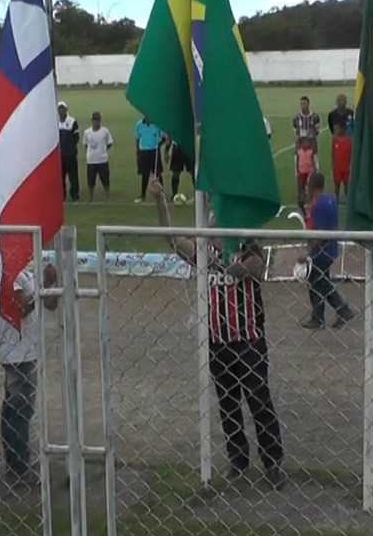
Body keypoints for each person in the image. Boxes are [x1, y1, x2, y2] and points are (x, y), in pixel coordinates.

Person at [152, 177, 286, 489]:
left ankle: (273, 462)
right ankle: (238, 461)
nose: (214, 221)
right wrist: (160, 201)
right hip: (217, 341)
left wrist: (237, 264)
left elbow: (256, 266)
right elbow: (171, 239)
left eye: (219, 217)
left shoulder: (246, 245)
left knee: (259, 401)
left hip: (249, 340)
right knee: (228, 405)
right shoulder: (203, 251)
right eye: (212, 218)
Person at [0, 248, 60, 485]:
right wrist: (44, 285)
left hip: (27, 349)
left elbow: (49, 304)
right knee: (19, 410)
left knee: (18, 409)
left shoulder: (24, 272)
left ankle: (17, 464)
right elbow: (20, 308)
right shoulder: (8, 272)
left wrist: (52, 285)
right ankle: (18, 468)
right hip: (16, 351)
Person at [301, 172, 355, 330]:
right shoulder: (330, 199)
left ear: (312, 186)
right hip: (330, 248)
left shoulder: (319, 205)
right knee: (320, 282)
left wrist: (308, 253)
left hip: (321, 251)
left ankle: (338, 311)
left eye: (307, 186)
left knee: (319, 283)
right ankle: (321, 316)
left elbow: (320, 234)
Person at [83, 111, 114, 202]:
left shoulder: (105, 131)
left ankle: (107, 195)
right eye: (95, 120)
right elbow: (85, 144)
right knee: (91, 180)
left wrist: (103, 150)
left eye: (98, 120)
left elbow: (110, 143)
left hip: (102, 160)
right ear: (92, 120)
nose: (96, 122)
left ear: (100, 120)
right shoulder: (87, 132)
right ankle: (91, 197)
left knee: (105, 179)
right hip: (91, 161)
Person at [134, 116, 164, 203]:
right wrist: (138, 151)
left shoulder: (157, 124)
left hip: (154, 151)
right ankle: (142, 195)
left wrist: (159, 145)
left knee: (158, 173)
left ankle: (162, 193)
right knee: (145, 174)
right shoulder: (139, 124)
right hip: (143, 152)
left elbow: (163, 137)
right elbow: (137, 139)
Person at [57, 101, 80, 202]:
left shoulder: (72, 121)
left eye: (63, 109)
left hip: (70, 154)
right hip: (60, 155)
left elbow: (76, 137)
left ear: (66, 109)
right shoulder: (55, 121)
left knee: (73, 176)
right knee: (61, 176)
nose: (61, 111)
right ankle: (62, 195)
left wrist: (70, 147)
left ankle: (75, 194)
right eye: (59, 109)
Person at [165, 138, 193, 204]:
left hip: (187, 147)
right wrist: (167, 150)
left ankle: (198, 195)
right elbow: (170, 136)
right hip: (177, 149)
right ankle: (174, 195)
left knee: (193, 172)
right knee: (175, 174)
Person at [295, 136, 318, 212]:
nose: (306, 144)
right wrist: (297, 171)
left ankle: (310, 200)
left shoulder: (310, 151)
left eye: (307, 142)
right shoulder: (299, 151)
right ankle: (302, 200)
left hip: (309, 171)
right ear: (301, 144)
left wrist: (315, 169)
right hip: (301, 172)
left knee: (309, 186)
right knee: (302, 186)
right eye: (305, 142)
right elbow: (297, 161)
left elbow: (313, 161)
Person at [331, 121, 352, 202]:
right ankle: (336, 200)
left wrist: (351, 165)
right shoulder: (335, 140)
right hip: (337, 168)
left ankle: (348, 200)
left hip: (346, 168)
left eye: (338, 128)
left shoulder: (349, 140)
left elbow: (351, 154)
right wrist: (333, 165)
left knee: (347, 185)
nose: (337, 130)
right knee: (337, 186)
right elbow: (332, 153)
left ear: (344, 129)